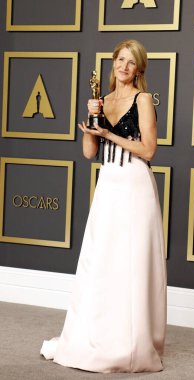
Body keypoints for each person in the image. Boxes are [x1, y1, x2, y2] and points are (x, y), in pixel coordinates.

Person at [40, 39, 167, 373]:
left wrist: (110, 136)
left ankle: (133, 340)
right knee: (103, 258)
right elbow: (88, 152)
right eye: (120, 60)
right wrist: (90, 123)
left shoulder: (143, 100)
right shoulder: (103, 100)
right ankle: (101, 333)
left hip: (136, 184)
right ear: (113, 63)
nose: (124, 67)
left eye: (131, 62)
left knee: (132, 259)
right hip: (108, 184)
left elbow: (150, 150)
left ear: (139, 69)